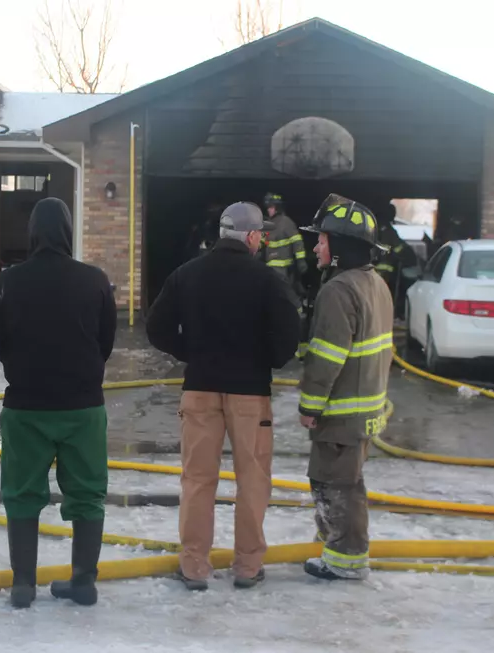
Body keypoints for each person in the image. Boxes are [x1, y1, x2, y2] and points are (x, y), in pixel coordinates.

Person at [146, 201, 301, 591]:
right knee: (252, 479)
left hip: (199, 389)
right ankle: (248, 566)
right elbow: (287, 342)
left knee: (197, 479)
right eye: (260, 234)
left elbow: (156, 328)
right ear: (251, 236)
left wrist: (191, 352)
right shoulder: (268, 280)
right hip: (250, 394)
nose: (261, 240)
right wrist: (260, 359)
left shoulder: (186, 274)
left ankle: (195, 564)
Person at [0, 197, 116, 609]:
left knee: (21, 493)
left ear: (31, 233)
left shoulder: (8, 282)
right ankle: (84, 582)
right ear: (68, 230)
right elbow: (106, 341)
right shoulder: (94, 279)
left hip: (25, 406)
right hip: (83, 406)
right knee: (88, 493)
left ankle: (23, 584)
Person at [297, 194, 394, 581]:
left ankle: (345, 559)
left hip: (341, 414)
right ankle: (340, 547)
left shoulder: (338, 290)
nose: (317, 246)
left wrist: (310, 406)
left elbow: (327, 356)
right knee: (348, 483)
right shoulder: (375, 284)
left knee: (334, 485)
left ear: (340, 248)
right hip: (364, 411)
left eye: (323, 240)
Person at [260, 192, 308, 298]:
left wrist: (301, 260)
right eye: (268, 207)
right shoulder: (267, 224)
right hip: (270, 267)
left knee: (284, 294)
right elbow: (261, 244)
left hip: (284, 268)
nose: (269, 210)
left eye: (271, 207)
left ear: (278, 208)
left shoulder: (286, 222)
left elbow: (297, 241)